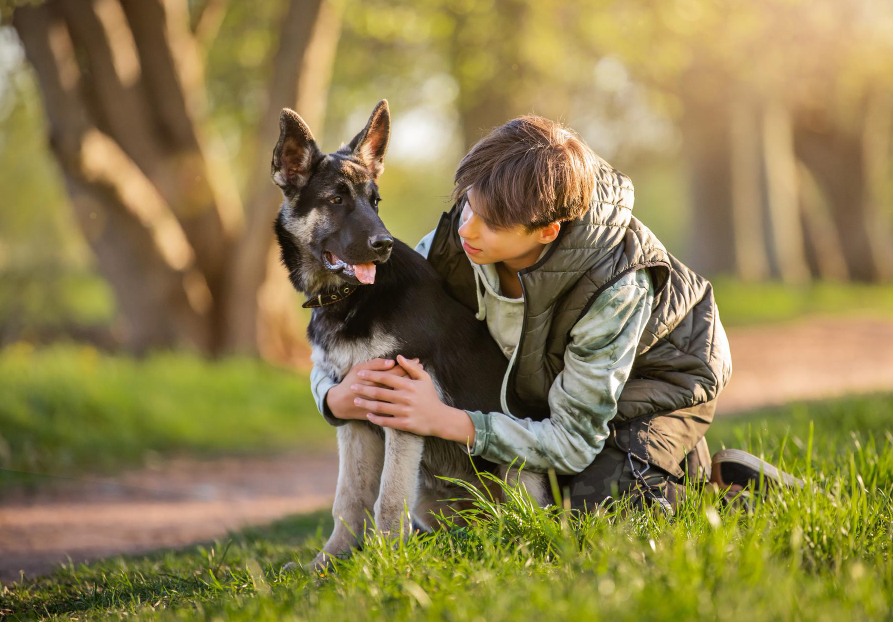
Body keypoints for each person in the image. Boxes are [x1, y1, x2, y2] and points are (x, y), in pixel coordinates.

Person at [313, 115, 796, 514]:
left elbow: (573, 437)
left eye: (490, 223)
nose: (467, 229)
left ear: (546, 231)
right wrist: (333, 398)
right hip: (549, 392)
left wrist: (448, 420)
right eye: (468, 205)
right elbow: (344, 342)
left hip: (648, 388)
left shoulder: (614, 287)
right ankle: (659, 472)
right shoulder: (449, 247)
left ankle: (719, 484)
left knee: (598, 514)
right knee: (496, 509)